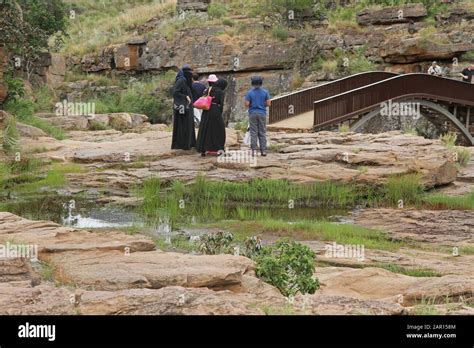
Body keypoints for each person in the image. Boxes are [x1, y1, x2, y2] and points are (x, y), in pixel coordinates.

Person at [196, 75, 227, 156]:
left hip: (206, 110)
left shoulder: (207, 89)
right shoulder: (220, 91)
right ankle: (218, 148)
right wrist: (219, 114)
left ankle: (203, 149)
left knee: (205, 129)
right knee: (219, 130)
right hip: (215, 110)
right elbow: (221, 104)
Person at [244, 76, 271, 157]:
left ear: (252, 83)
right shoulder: (265, 92)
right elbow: (269, 103)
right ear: (261, 83)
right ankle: (263, 151)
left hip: (252, 113)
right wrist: (262, 104)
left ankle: (254, 151)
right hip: (262, 113)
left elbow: (247, 104)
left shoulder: (249, 93)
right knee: (262, 132)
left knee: (253, 132)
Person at [171, 64, 196, 150]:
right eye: (189, 73)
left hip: (187, 107)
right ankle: (182, 144)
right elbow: (175, 93)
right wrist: (185, 97)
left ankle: (190, 143)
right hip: (182, 107)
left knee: (188, 125)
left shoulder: (185, 81)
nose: (190, 75)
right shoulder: (181, 81)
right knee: (183, 126)